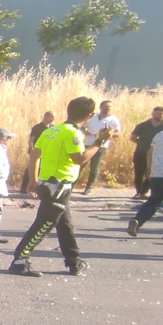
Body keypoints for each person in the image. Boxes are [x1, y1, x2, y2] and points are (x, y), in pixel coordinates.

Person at [10, 96, 111, 277]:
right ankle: (19, 260)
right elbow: (80, 159)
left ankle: (74, 262)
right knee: (45, 223)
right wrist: (99, 142)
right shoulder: (73, 133)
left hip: (47, 182)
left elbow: (34, 156)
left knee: (65, 225)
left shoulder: (51, 131)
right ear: (89, 115)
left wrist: (33, 180)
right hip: (59, 185)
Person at [127, 125, 163, 239]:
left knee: (155, 201)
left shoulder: (162, 134)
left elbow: (150, 152)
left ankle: (138, 220)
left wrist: (150, 169)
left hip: (158, 173)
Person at [129, 107, 163, 197]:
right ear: (152, 113)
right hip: (141, 151)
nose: (161, 115)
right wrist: (141, 143)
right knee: (139, 172)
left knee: (152, 173)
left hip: (158, 154)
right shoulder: (143, 125)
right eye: (159, 113)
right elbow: (132, 137)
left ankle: (144, 191)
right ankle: (138, 192)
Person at [78, 100, 120, 194]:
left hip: (101, 144)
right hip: (87, 143)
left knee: (94, 166)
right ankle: (72, 184)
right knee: (80, 164)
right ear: (100, 107)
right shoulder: (92, 117)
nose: (108, 108)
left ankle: (89, 187)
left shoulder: (113, 119)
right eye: (106, 106)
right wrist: (86, 131)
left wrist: (108, 135)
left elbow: (117, 133)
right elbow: (82, 127)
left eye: (110, 106)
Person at [20, 111, 54, 195]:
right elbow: (31, 139)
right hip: (36, 151)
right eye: (51, 117)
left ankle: (40, 188)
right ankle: (24, 188)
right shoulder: (37, 127)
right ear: (45, 116)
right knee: (31, 169)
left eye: (53, 118)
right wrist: (31, 149)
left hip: (47, 151)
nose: (52, 119)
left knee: (43, 169)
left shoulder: (53, 128)